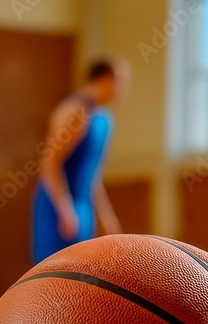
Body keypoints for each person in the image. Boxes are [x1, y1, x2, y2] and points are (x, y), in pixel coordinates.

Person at [31, 57, 130, 264]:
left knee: (83, 272)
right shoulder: (75, 112)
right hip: (57, 205)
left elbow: (93, 175)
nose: (124, 89)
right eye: (120, 82)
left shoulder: (104, 119)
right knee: (53, 273)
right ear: (103, 79)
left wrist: (106, 218)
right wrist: (64, 210)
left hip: (83, 206)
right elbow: (49, 162)